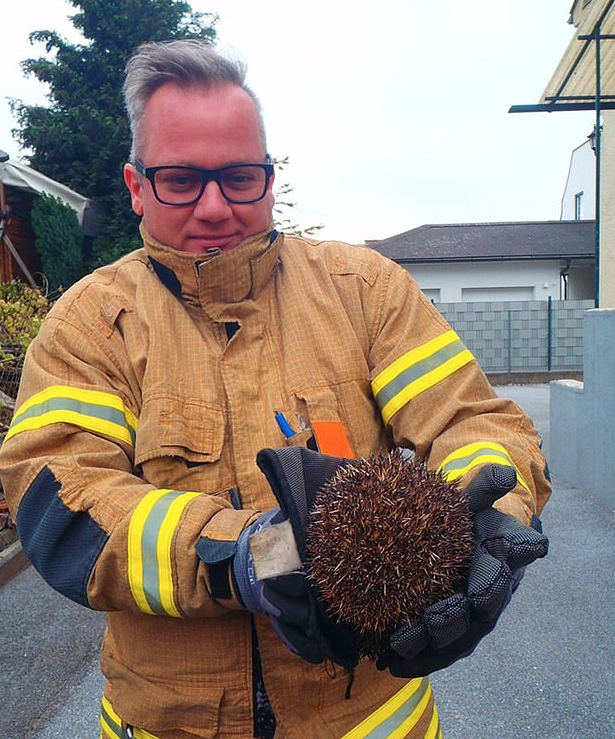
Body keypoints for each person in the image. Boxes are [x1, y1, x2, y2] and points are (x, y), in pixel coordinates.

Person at [0, 40, 551, 739]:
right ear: (136, 185)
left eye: (238, 178)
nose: (214, 207)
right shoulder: (87, 324)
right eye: (180, 179)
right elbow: (62, 502)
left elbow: (477, 422)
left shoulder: (364, 290)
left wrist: (479, 518)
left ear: (267, 177)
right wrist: (247, 555)